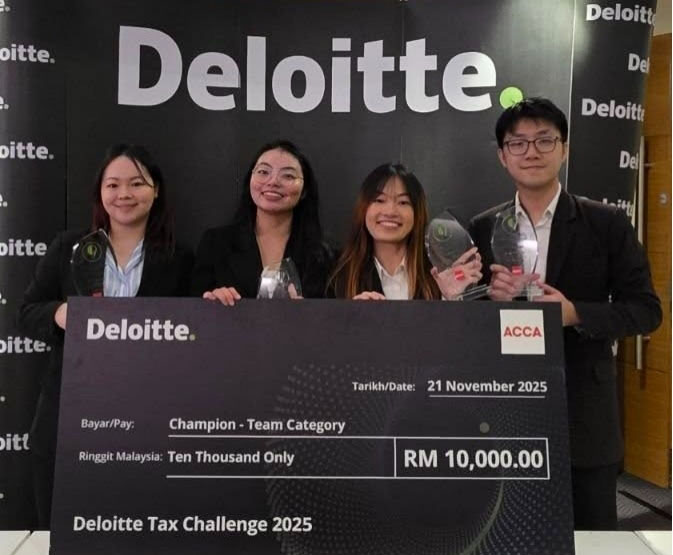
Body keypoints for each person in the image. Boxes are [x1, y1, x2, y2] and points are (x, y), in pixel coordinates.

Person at [468, 98, 662, 530]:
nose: (531, 152)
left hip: (583, 414)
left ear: (565, 149)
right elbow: (469, 323)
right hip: (507, 411)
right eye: (517, 143)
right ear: (502, 156)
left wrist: (575, 314)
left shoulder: (606, 223)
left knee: (592, 536)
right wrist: (491, 303)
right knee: (511, 533)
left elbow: (646, 311)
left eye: (544, 140)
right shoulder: (484, 227)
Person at [16, 144, 194, 528]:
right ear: (100, 192)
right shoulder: (69, 248)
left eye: (136, 184)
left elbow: (194, 338)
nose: (124, 194)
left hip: (147, 418)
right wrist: (61, 314)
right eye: (112, 184)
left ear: (156, 190)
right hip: (70, 412)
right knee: (66, 528)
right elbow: (26, 313)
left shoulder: (181, 259)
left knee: (136, 526)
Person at [191, 140, 333, 303]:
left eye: (288, 175)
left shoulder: (323, 255)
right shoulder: (215, 243)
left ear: (304, 190)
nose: (273, 182)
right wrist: (211, 300)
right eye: (263, 172)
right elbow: (189, 310)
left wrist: (308, 312)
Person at [328, 163, 481, 300]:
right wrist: (352, 314)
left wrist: (450, 298)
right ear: (363, 207)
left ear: (417, 212)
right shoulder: (337, 275)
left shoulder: (438, 273)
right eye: (379, 200)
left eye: (403, 202)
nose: (390, 211)